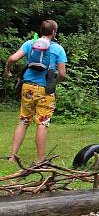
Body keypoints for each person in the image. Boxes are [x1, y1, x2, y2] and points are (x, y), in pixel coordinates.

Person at [5, 20, 68, 163]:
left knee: (23, 120)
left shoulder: (30, 44)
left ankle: (12, 156)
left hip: (27, 87)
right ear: (53, 32)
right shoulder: (58, 49)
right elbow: (63, 74)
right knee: (42, 123)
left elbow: (12, 58)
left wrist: (8, 69)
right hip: (45, 90)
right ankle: (40, 160)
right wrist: (54, 82)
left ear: (41, 31)